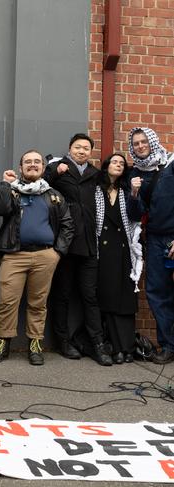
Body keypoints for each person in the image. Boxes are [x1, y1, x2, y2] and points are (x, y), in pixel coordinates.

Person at [0, 150, 73, 365]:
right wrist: (5, 185)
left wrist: (57, 252)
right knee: (7, 301)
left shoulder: (53, 194)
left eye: (37, 162)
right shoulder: (13, 190)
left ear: (43, 168)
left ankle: (35, 344)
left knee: (38, 303)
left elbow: (67, 225)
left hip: (45, 256)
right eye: (28, 162)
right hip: (15, 255)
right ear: (20, 167)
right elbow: (0, 209)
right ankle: (3, 342)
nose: (32, 165)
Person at [44, 133, 112, 366]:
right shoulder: (58, 169)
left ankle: (97, 344)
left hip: (90, 244)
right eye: (77, 147)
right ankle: (63, 341)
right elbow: (41, 183)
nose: (82, 151)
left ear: (90, 152)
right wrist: (55, 171)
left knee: (89, 296)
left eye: (86, 148)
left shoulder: (95, 175)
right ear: (70, 148)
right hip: (65, 242)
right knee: (62, 294)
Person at [126, 127, 174, 364]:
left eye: (144, 141)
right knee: (157, 293)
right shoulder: (134, 173)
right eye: (136, 143)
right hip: (154, 240)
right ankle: (167, 346)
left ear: (153, 142)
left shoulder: (171, 164)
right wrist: (134, 193)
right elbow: (135, 214)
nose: (140, 146)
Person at [96, 153, 142, 364]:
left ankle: (126, 348)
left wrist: (134, 192)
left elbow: (135, 216)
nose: (118, 165)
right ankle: (117, 348)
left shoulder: (126, 191)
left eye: (122, 163)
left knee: (125, 297)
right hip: (102, 249)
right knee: (108, 295)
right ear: (106, 166)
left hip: (124, 248)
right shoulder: (96, 188)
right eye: (114, 161)